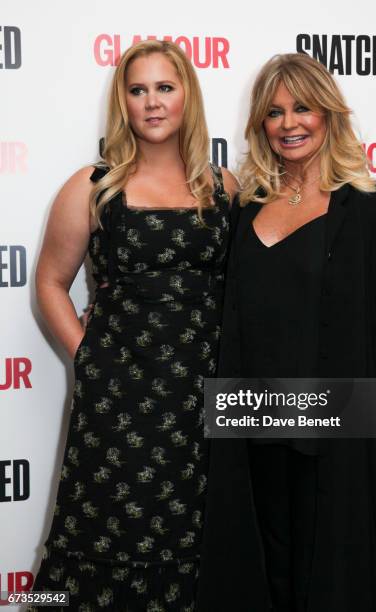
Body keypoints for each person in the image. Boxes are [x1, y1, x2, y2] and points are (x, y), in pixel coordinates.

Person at [197, 53, 376, 612]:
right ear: (260, 125)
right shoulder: (245, 208)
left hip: (334, 430)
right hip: (250, 425)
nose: (289, 123)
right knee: (263, 581)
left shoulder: (370, 207)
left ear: (328, 115)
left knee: (330, 585)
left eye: (303, 107)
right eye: (274, 112)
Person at [30, 39, 236, 612]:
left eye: (164, 88)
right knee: (97, 526)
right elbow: (50, 283)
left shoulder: (226, 188)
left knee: (193, 533)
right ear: (123, 101)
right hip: (117, 398)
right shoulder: (93, 186)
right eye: (138, 89)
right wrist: (88, 357)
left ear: (186, 96)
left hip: (202, 398)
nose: (152, 102)